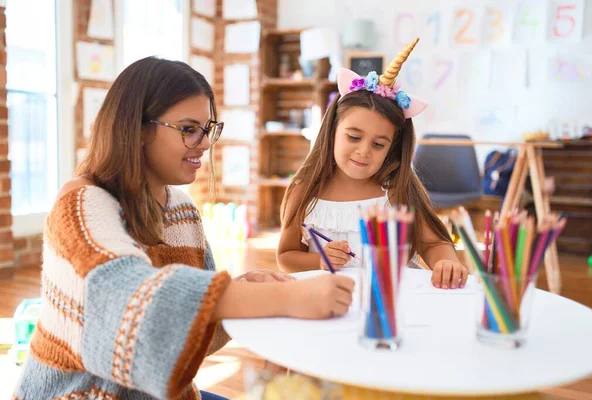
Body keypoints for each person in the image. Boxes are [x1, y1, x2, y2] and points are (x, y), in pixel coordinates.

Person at [13, 57, 354, 400]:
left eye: (207, 129)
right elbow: (129, 296)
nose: (205, 143)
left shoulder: (182, 210)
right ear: (138, 128)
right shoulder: (80, 201)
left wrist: (240, 290)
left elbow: (190, 332)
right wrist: (283, 297)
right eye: (189, 129)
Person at [277, 38, 468, 290]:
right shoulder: (304, 191)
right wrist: (320, 259)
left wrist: (446, 262)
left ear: (393, 147)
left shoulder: (398, 190)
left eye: (379, 144)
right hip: (334, 306)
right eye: (353, 137)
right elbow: (286, 256)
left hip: (396, 306)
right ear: (332, 130)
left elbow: (433, 244)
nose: (364, 151)